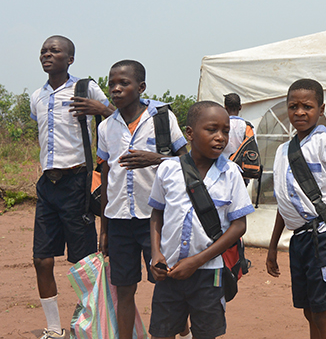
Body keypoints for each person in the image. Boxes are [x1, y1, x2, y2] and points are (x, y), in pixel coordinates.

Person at [30, 35, 114, 339]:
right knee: (41, 258)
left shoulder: (85, 88)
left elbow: (117, 118)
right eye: (43, 51)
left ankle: (90, 323)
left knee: (84, 260)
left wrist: (98, 108)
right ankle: (54, 329)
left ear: (70, 59)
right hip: (47, 184)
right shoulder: (37, 96)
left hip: (77, 181)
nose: (47, 55)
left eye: (55, 51)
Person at [148, 101, 254, 339]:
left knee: (206, 333)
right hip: (169, 271)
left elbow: (239, 226)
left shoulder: (231, 174)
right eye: (211, 130)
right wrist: (156, 253)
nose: (220, 137)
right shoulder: (168, 170)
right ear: (190, 134)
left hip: (209, 272)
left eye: (225, 131)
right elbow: (157, 213)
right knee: (161, 332)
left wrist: (196, 261)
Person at [97, 60, 187, 339]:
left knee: (167, 282)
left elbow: (188, 161)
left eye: (123, 83)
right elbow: (105, 174)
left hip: (157, 219)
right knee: (124, 288)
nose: (116, 89)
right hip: (120, 219)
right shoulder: (106, 127)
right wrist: (104, 227)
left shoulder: (161, 118)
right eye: (112, 83)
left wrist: (156, 159)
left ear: (141, 87)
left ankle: (179, 331)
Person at [266, 78, 326, 339]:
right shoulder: (283, 151)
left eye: (307, 106)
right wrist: (273, 247)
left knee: (323, 311)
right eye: (293, 106)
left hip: (324, 239)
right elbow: (284, 203)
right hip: (299, 241)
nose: (300, 112)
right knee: (308, 309)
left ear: (321, 108)